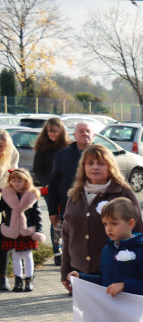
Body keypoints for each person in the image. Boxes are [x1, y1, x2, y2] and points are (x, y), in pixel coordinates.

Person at [60, 145, 143, 293]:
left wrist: (131, 274)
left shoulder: (123, 193)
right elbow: (67, 236)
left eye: (101, 163)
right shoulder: (75, 195)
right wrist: (65, 272)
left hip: (114, 275)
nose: (95, 167)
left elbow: (138, 233)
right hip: (80, 273)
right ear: (83, 167)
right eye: (90, 163)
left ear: (110, 166)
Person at [47, 121, 95, 266]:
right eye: (81, 131)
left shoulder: (102, 155)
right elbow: (54, 185)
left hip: (95, 209)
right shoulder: (62, 155)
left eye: (88, 131)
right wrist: (53, 211)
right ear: (74, 135)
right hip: (70, 208)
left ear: (94, 135)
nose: (84, 134)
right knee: (72, 246)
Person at [31, 117, 70, 267]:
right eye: (49, 131)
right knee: (55, 220)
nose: (52, 134)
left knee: (67, 219)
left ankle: (68, 251)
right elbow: (37, 169)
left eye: (54, 131)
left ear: (61, 131)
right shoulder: (42, 148)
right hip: (50, 190)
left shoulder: (68, 147)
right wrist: (47, 182)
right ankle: (57, 252)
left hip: (66, 190)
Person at [0, 169, 45, 292]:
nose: (16, 183)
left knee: (27, 256)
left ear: (26, 181)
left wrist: (39, 230)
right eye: (13, 180)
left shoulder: (32, 195)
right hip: (12, 230)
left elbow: (37, 215)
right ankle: (18, 280)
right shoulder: (7, 195)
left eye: (19, 181)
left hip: (27, 230)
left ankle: (29, 280)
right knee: (15, 256)